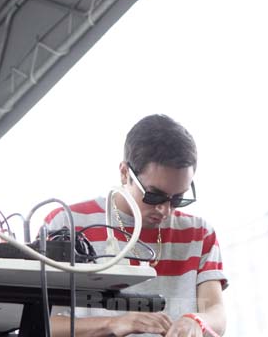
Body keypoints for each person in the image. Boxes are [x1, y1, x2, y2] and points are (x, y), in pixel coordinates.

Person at [45, 114, 228, 337]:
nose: (165, 209)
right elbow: (41, 322)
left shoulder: (199, 234)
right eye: (154, 195)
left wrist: (196, 321)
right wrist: (113, 324)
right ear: (124, 173)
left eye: (178, 198)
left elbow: (216, 313)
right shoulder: (66, 224)